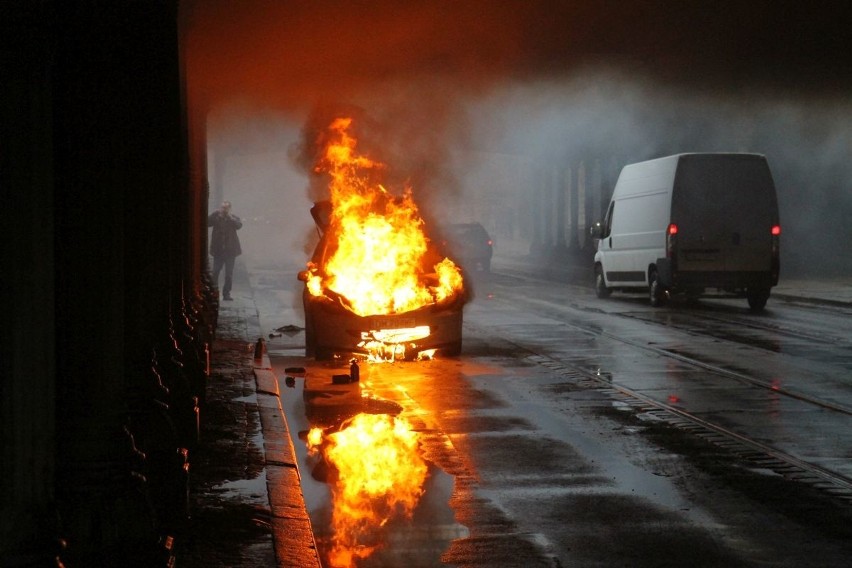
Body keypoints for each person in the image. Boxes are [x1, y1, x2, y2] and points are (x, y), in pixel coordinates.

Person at [207, 201, 242, 300]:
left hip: (230, 252)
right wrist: (213, 214)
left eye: (226, 208)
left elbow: (239, 225)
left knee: (228, 274)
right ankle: (213, 293)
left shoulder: (233, 218)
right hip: (218, 251)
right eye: (223, 207)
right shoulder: (216, 217)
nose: (224, 210)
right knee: (215, 272)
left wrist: (231, 218)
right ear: (220, 208)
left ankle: (226, 294)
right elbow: (207, 223)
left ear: (229, 208)